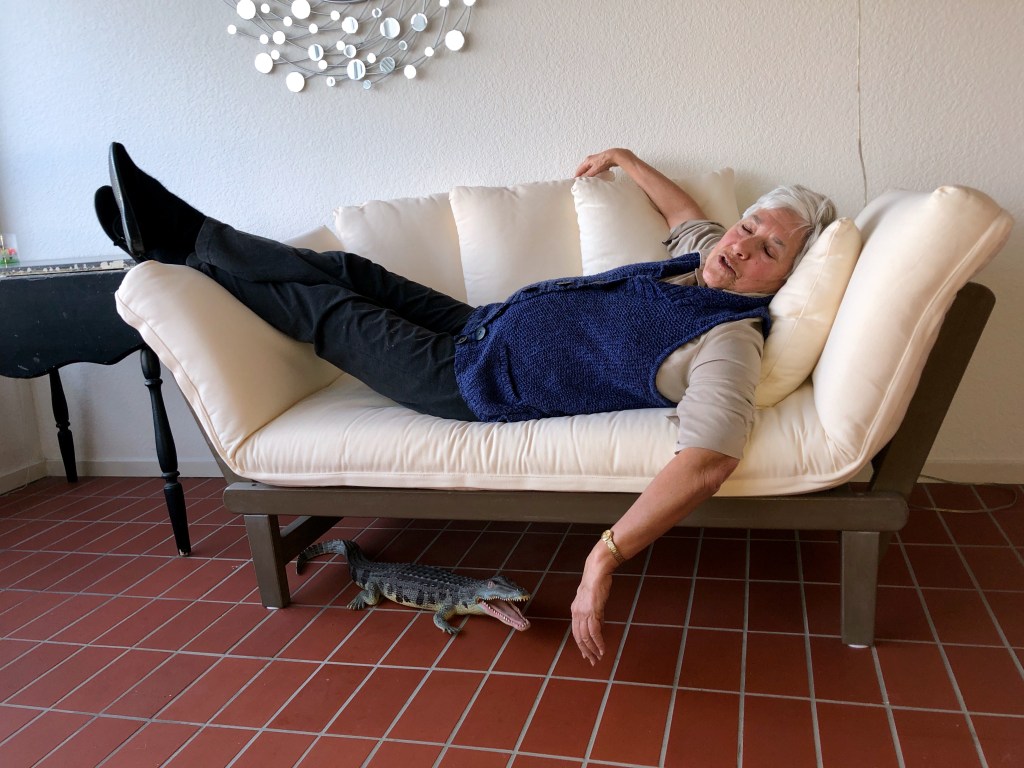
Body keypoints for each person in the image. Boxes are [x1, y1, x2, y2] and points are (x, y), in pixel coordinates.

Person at [95, 143, 836, 665]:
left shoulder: (729, 337)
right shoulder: (705, 257)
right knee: (348, 269)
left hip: (468, 379)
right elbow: (686, 213)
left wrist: (604, 556)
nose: (743, 246)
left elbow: (709, 457)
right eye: (748, 226)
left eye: (769, 250)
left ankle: (179, 239)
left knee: (331, 313)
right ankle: (180, 236)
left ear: (784, 278)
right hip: (479, 322)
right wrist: (627, 158)